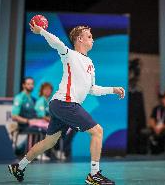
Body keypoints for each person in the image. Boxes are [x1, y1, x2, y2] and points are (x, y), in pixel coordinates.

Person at [8, 22, 125, 185]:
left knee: (49, 142)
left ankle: (19, 166)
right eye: (89, 36)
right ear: (79, 39)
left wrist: (113, 89)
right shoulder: (69, 54)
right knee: (97, 131)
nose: (93, 39)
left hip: (60, 105)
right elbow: (57, 43)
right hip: (65, 103)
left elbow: (92, 89)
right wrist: (41, 31)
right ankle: (94, 174)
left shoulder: (90, 63)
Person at [11, 77, 50, 160]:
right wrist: (28, 121)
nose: (31, 86)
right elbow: (14, 116)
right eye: (28, 84)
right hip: (23, 125)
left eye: (32, 84)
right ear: (23, 85)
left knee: (49, 128)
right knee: (41, 129)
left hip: (33, 124)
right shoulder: (19, 98)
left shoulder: (33, 99)